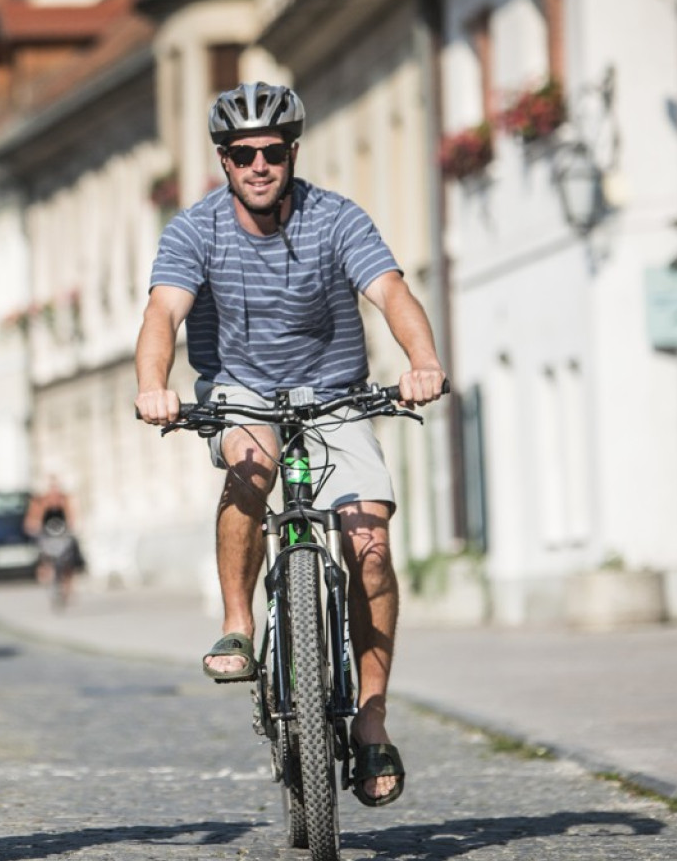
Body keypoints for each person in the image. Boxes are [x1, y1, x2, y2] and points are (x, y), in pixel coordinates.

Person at [133, 81, 447, 810]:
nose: (259, 166)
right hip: (240, 390)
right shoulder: (195, 229)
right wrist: (155, 384)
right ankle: (239, 625)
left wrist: (422, 363)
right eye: (243, 155)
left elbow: (392, 294)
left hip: (337, 394)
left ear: (292, 153)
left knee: (368, 543)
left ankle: (371, 719)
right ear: (224, 161)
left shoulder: (336, 218)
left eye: (272, 152)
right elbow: (162, 313)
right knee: (253, 464)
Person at [24, 475, 82, 610]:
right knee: (45, 560)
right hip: (47, 536)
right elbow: (32, 521)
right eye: (51, 487)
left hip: (62, 535)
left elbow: (74, 516)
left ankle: (68, 588)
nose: (54, 490)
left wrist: (74, 525)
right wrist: (35, 525)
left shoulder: (65, 499)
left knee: (69, 561)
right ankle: (48, 581)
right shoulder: (39, 501)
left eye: (56, 487)